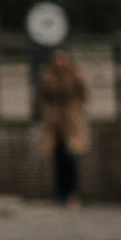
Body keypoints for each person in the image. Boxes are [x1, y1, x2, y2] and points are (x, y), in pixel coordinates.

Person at [35, 43, 91, 208]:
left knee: (72, 157)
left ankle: (73, 193)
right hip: (54, 123)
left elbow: (83, 95)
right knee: (57, 157)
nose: (60, 62)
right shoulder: (48, 76)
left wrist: (76, 109)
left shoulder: (74, 75)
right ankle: (59, 193)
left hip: (71, 121)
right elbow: (42, 96)